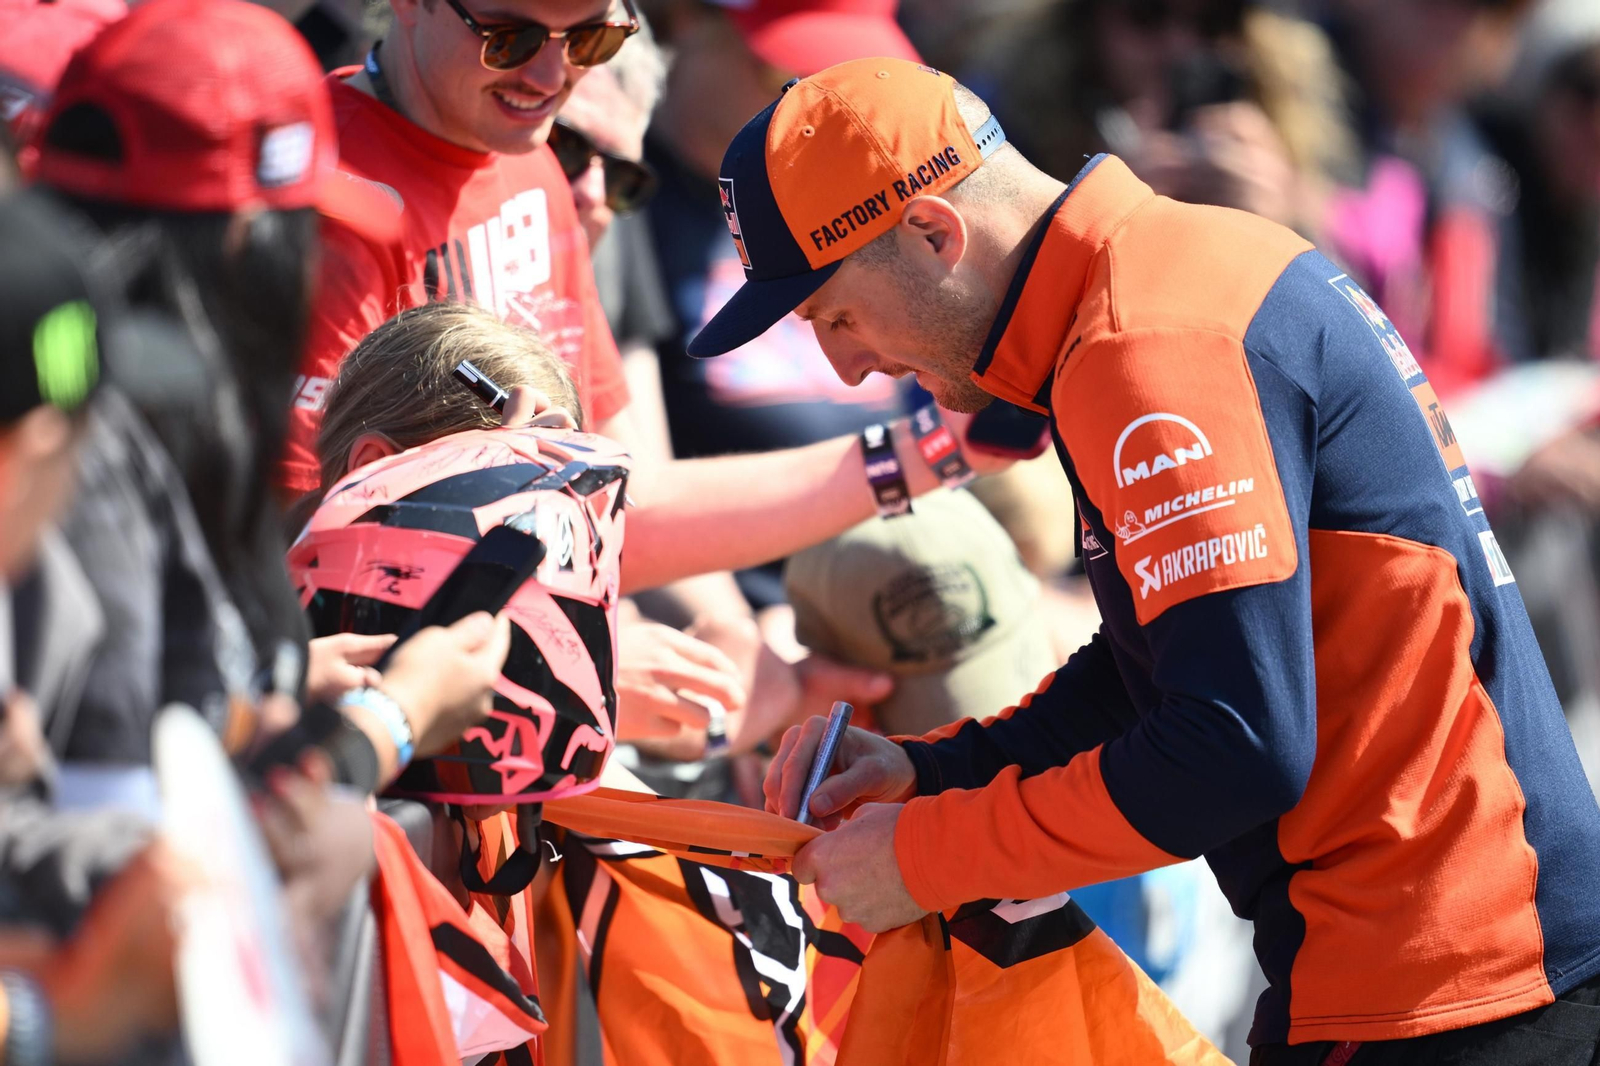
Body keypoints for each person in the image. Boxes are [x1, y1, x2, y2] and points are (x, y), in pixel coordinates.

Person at [697, 58, 1600, 1063]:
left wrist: (924, 856)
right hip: (1459, 957)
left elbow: (1232, 745)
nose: (846, 367)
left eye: (836, 315)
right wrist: (932, 773)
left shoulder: (1142, 340)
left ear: (933, 233)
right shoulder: (1154, 276)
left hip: (1454, 984)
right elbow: (1164, 668)